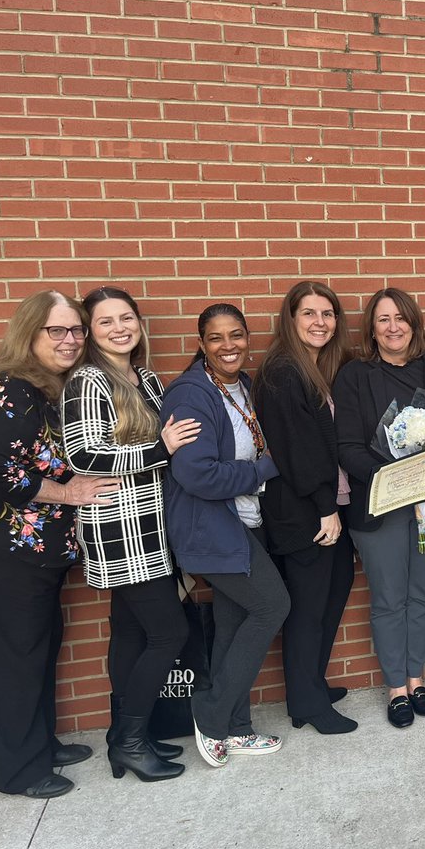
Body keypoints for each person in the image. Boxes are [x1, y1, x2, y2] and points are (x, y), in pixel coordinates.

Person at [0, 291, 120, 799]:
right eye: (57, 330)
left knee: (34, 655)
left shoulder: (43, 389)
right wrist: (66, 492)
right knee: (6, 664)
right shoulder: (4, 387)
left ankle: (38, 745)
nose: (70, 340)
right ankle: (18, 771)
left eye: (76, 330)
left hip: (31, 558)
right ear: (29, 333)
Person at [61, 287, 200, 782]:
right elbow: (85, 457)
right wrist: (159, 450)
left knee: (131, 630)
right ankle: (131, 741)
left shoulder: (143, 376)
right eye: (105, 322)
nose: (119, 327)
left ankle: (125, 733)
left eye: (126, 318)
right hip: (119, 526)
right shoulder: (87, 381)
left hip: (154, 520)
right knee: (169, 632)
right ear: (91, 332)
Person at [160, 304, 291, 767]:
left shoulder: (244, 386)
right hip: (211, 531)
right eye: (216, 338)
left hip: (242, 524)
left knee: (235, 624)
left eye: (236, 335)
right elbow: (197, 474)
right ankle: (212, 715)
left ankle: (237, 729)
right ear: (201, 344)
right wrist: (265, 467)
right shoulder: (190, 395)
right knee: (274, 606)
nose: (228, 345)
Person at [333, 288, 425, 730]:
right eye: (383, 319)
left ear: (414, 323)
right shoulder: (354, 377)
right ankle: (396, 689)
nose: (393, 327)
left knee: (422, 595)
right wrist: (391, 476)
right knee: (388, 599)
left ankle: (417, 678)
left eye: (401, 318)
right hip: (379, 505)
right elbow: (346, 445)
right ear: (372, 328)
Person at [253, 281, 357, 735]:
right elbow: (299, 452)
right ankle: (307, 703)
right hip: (303, 513)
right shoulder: (283, 371)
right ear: (291, 320)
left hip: (327, 505)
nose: (320, 322)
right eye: (309, 314)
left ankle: (310, 683)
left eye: (328, 314)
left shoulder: (317, 368)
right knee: (309, 607)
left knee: (333, 591)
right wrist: (324, 508)